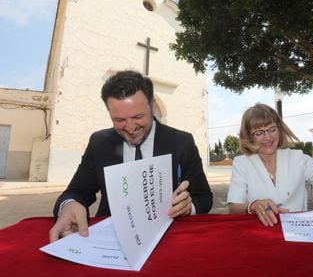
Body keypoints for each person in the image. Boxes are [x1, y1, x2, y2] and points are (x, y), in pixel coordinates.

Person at [49, 70, 213, 242]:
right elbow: (77, 192)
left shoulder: (181, 142)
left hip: (168, 238)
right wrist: (69, 206)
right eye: (119, 120)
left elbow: (204, 197)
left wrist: (189, 207)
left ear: (152, 105)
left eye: (138, 117)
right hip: (111, 238)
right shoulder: (100, 143)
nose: (130, 127)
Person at [227, 103, 313, 227]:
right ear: (250, 137)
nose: (268, 137)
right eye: (259, 133)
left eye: (272, 129)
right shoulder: (241, 163)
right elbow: (234, 208)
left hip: (299, 235)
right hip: (259, 235)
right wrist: (252, 206)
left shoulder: (298, 158)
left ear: (280, 130)